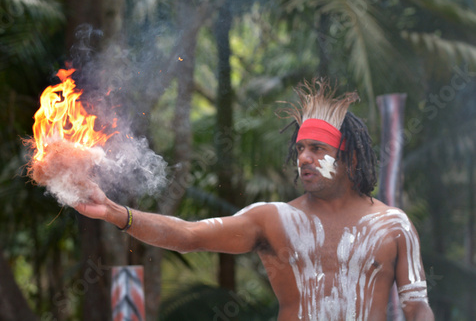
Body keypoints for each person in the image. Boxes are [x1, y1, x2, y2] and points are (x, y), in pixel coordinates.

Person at [75, 79, 434, 320]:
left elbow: (417, 309)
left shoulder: (393, 225)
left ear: (350, 158)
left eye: (317, 149)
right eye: (300, 149)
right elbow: (188, 236)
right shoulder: (273, 220)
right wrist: (115, 212)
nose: (304, 158)